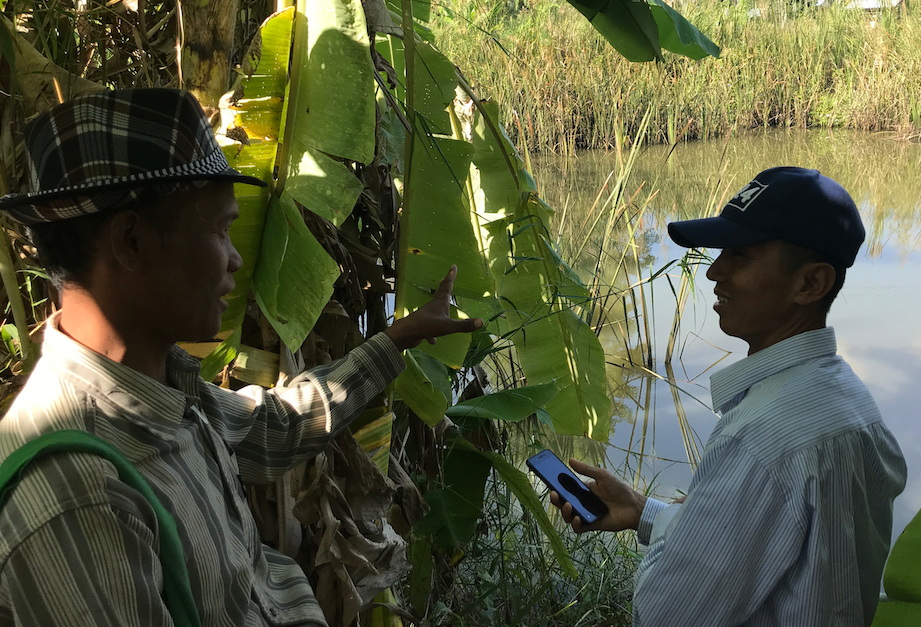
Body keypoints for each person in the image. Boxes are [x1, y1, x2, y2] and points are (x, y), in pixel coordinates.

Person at [0, 88, 482, 626]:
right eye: (221, 230)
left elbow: (274, 427)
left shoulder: (163, 389)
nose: (234, 258)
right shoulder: (79, 495)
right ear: (131, 241)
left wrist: (400, 337)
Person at [551, 167, 907, 626]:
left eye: (738, 255)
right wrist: (643, 511)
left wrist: (675, 546)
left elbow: (665, 614)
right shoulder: (853, 403)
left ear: (810, 284)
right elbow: (781, 552)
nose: (714, 271)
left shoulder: (760, 440)